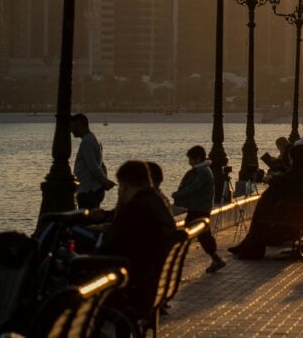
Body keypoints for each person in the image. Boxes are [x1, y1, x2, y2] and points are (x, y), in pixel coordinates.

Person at [98, 161, 176, 315]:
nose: (120, 191)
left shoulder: (137, 209)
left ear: (126, 185)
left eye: (121, 186)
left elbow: (110, 246)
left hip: (134, 289)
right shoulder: (157, 203)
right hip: (153, 285)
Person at [229, 142, 303, 259]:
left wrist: (269, 179)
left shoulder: (300, 172)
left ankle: (252, 247)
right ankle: (247, 244)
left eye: (292, 159)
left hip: (295, 211)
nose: (291, 162)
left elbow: (284, 182)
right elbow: (287, 180)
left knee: (262, 213)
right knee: (263, 207)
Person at [172, 146, 225, 273]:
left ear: (198, 159)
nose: (189, 162)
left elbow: (194, 188)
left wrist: (178, 194)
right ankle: (216, 259)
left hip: (199, 208)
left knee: (194, 234)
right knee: (202, 235)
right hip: (199, 207)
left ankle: (177, 261)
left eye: (191, 159)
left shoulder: (202, 172)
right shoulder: (204, 170)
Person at [71, 113, 114, 209]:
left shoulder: (87, 142)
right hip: (93, 189)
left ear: (80, 125)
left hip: (88, 190)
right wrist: (104, 182)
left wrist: (105, 182)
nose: (71, 130)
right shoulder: (94, 140)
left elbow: (93, 166)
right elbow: (101, 165)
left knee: (86, 219)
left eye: (73, 126)